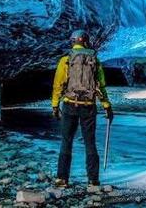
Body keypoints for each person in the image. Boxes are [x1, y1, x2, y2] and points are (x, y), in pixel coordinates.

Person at [51, 29, 114, 188]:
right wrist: (106, 106)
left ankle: (62, 179)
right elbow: (101, 86)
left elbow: (58, 85)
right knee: (90, 143)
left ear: (73, 42)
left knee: (66, 141)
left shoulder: (66, 60)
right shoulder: (95, 61)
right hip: (88, 106)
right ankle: (93, 180)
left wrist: (54, 105)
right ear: (86, 41)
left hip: (70, 104)